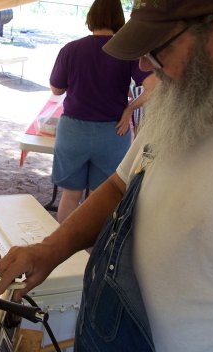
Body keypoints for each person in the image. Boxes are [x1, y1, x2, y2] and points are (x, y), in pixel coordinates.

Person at [0, 0, 213, 352]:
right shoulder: (183, 101)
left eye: (157, 50)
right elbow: (119, 186)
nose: (143, 65)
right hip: (101, 350)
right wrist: (50, 250)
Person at [49, 0, 152, 223]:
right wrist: (130, 109)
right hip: (113, 131)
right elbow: (155, 86)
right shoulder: (128, 51)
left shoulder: (71, 49)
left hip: (74, 131)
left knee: (70, 196)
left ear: (91, 17)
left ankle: (64, 252)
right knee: (101, 198)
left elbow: (57, 89)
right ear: (119, 20)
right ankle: (94, 253)